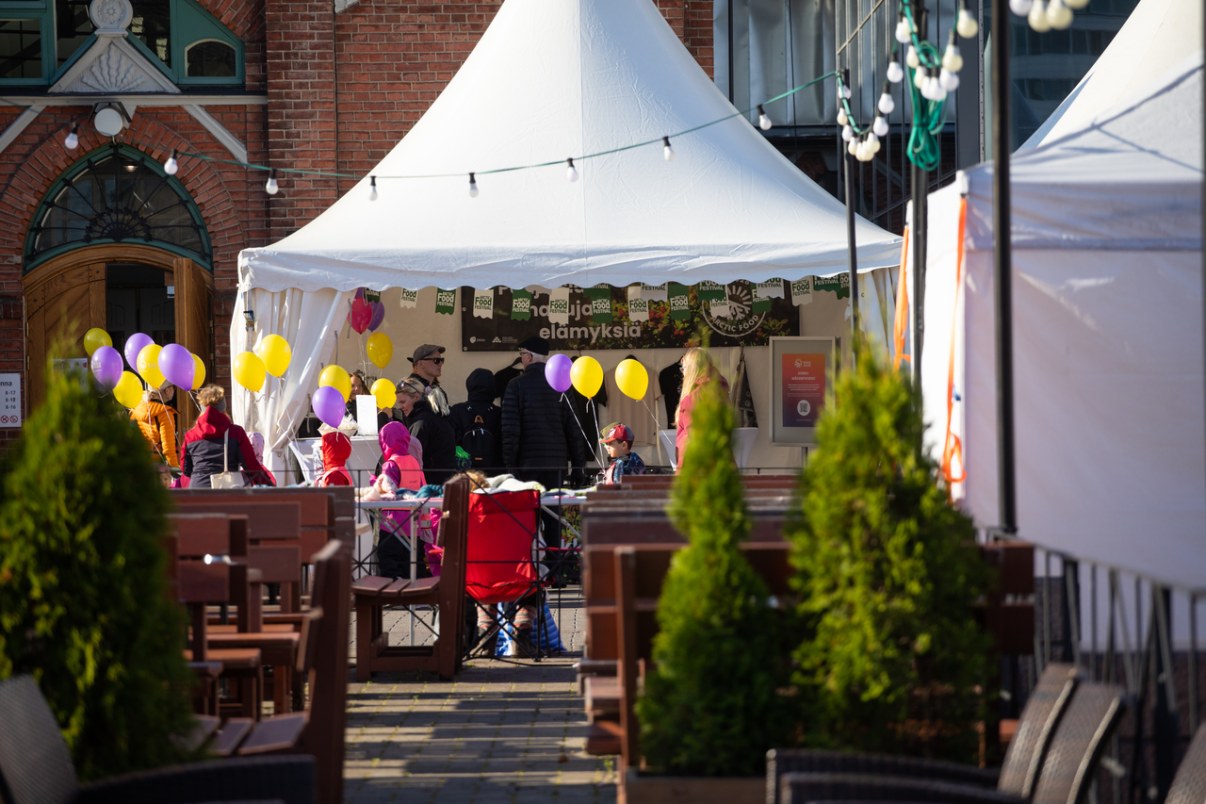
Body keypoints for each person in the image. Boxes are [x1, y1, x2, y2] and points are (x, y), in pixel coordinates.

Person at [501, 336, 586, 584]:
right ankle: (556, 574)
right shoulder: (561, 385)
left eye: (521, 354)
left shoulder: (516, 386)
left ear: (528, 356)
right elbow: (575, 430)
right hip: (556, 465)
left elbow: (510, 430)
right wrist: (578, 467)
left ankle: (529, 575)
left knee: (526, 523)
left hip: (526, 467)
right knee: (553, 522)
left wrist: (509, 467)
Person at [179, 384, 274, 488]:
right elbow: (251, 466)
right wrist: (269, 486)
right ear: (223, 407)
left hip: (197, 490)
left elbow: (186, 470)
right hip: (226, 491)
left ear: (202, 409)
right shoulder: (236, 433)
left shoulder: (191, 436)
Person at [371, 420, 428, 579]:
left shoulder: (390, 464)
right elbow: (423, 486)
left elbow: (387, 490)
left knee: (388, 559)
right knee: (409, 562)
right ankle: (410, 596)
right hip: (412, 523)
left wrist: (374, 483)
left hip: (392, 523)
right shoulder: (414, 461)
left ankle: (391, 594)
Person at [674, 346, 727, 470]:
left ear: (693, 368)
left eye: (684, 367)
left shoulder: (694, 398)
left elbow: (697, 440)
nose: (682, 372)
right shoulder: (719, 391)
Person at [396, 376, 457, 484]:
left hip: (431, 486)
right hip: (445, 482)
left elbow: (411, 459)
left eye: (402, 402)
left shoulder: (421, 423)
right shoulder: (433, 416)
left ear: (415, 397)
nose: (400, 406)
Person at [449, 367, 503, 474]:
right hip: (494, 471)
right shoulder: (500, 413)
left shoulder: (457, 410)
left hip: (464, 471)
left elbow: (452, 442)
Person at [131, 381, 178, 470]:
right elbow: (168, 448)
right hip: (156, 467)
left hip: (136, 464)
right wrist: (175, 470)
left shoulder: (136, 409)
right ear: (167, 390)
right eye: (174, 387)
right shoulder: (165, 414)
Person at [406, 343, 451, 416]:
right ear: (420, 363)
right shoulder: (410, 388)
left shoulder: (435, 388)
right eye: (436, 360)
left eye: (442, 360)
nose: (441, 364)